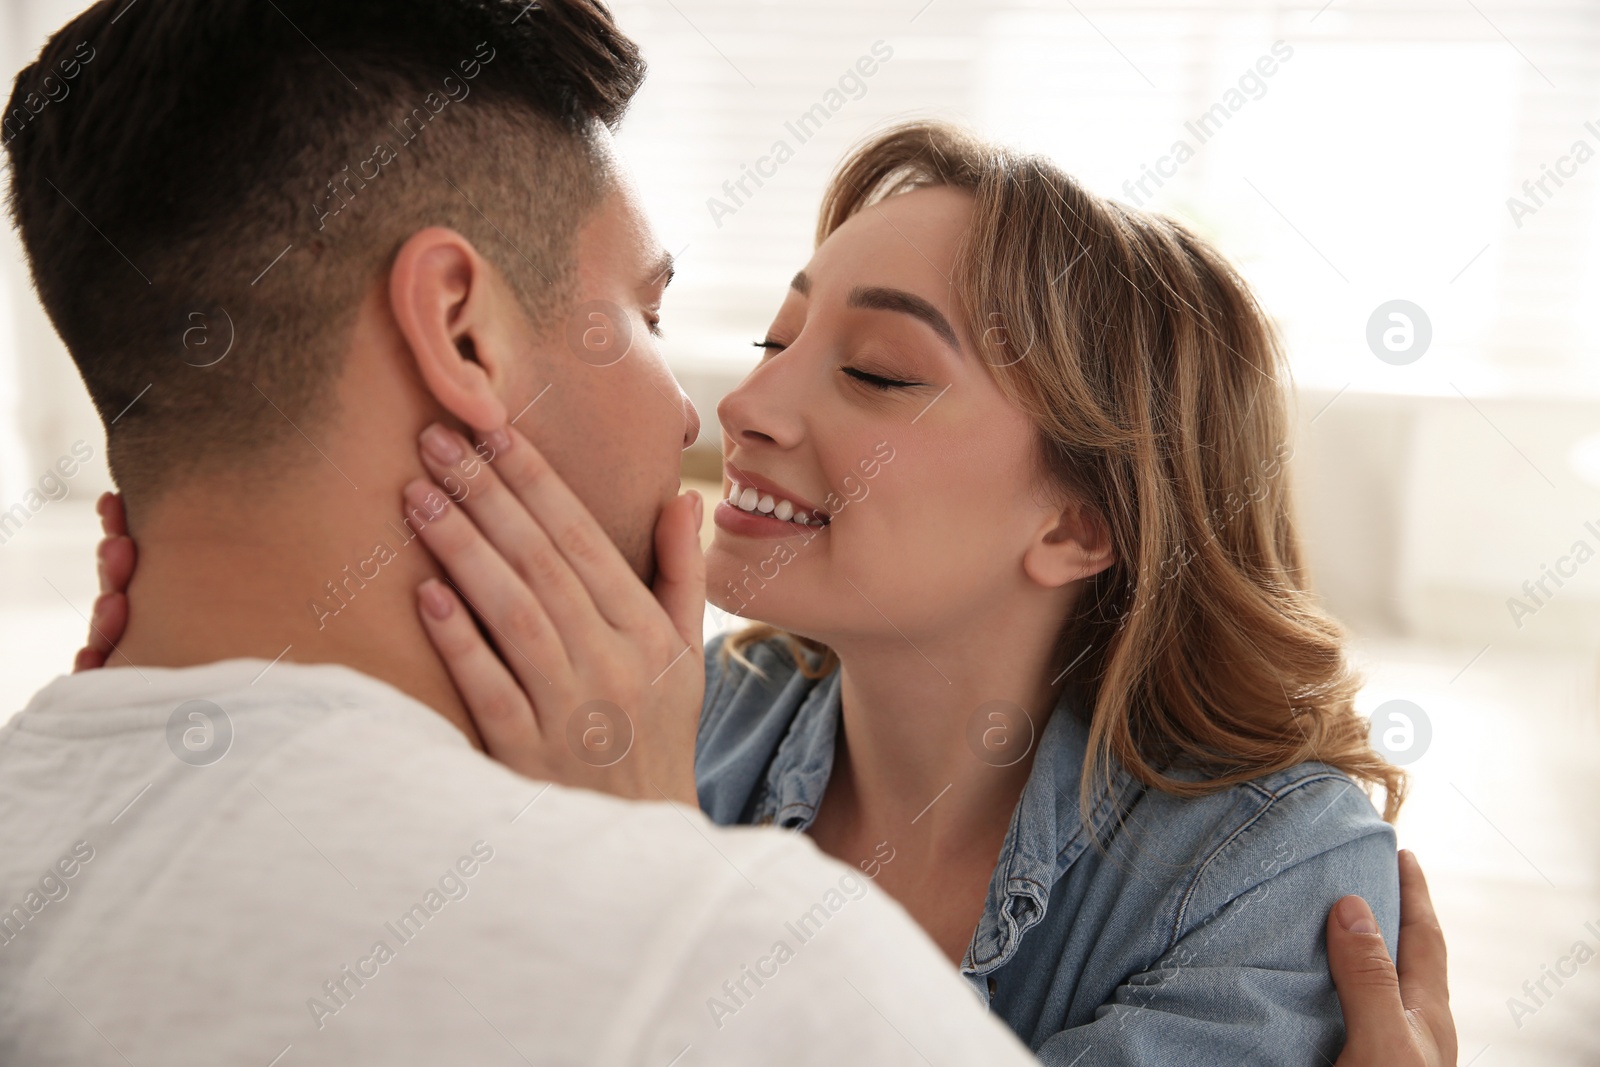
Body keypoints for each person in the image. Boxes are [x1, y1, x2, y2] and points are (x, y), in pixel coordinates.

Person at [36, 3, 1453, 1066]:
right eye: (772, 336)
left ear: (1084, 516)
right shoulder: (654, 710)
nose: (745, 403)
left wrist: (652, 865)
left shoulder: (1274, 874)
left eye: (880, 372)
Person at [0, 2, 1036, 1064]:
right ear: (462, 330)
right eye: (647, 315)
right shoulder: (756, 974)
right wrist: (668, 893)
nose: (702, 415)